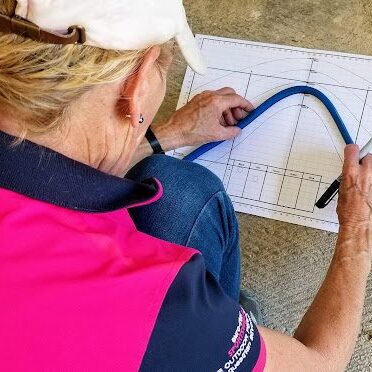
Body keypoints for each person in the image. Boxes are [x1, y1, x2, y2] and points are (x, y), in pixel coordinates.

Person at [0, 1, 370, 371]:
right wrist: (357, 230)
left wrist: (169, 134)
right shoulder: (156, 304)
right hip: (144, 333)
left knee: (177, 189)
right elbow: (319, 364)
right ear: (138, 84)